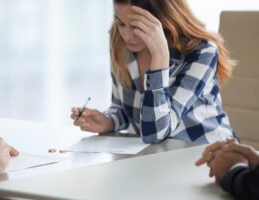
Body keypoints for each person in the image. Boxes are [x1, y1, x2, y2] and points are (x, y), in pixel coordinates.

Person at [71, 0, 237, 144]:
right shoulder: (119, 41)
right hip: (155, 157)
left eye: (137, 26)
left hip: (208, 156)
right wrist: (109, 121)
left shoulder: (202, 52)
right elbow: (123, 106)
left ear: (163, 19)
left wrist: (159, 57)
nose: (127, 36)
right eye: (121, 24)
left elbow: (156, 133)